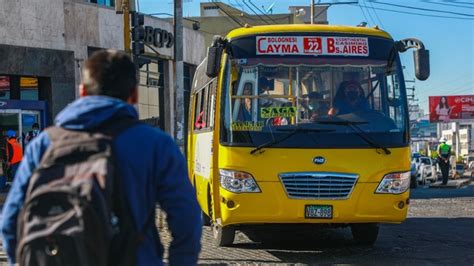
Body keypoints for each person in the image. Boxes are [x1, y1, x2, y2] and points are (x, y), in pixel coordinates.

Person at [1, 50, 202, 265]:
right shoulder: (155, 144)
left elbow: (10, 222)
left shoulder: (43, 145)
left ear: (82, 92)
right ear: (134, 95)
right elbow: (187, 219)